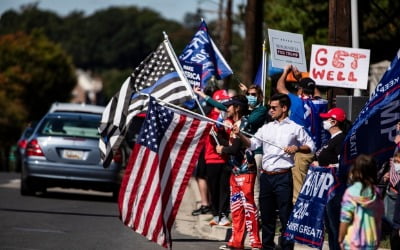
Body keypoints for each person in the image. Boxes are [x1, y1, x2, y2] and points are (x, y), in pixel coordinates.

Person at [233, 93, 315, 250]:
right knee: (267, 215)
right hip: (266, 176)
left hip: (283, 176)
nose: (270, 110)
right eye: (270, 107)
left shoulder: (295, 128)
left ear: (284, 108)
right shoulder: (266, 128)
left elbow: (311, 146)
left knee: (285, 215)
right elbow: (251, 144)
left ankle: (286, 247)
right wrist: (240, 135)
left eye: (274, 108)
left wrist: (296, 148)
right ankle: (267, 246)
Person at [277, 64, 328, 204]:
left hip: (302, 151)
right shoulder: (322, 103)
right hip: (318, 151)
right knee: (313, 188)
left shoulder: (297, 102)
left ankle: (298, 220)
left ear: (300, 90)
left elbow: (280, 87)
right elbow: (316, 93)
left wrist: (285, 71)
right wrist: (303, 78)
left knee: (298, 190)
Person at [216, 95, 262, 250]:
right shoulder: (234, 123)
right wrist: (217, 137)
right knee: (236, 208)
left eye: (229, 106)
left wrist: (222, 149)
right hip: (235, 172)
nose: (226, 109)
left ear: (237, 107)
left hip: (246, 172)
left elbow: (235, 149)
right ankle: (236, 242)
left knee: (249, 208)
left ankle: (255, 242)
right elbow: (231, 145)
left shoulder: (244, 123)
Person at [193, 87, 232, 226]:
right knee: (214, 188)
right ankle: (216, 214)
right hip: (211, 158)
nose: (225, 104)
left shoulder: (230, 117)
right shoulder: (208, 117)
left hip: (226, 158)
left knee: (225, 189)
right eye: (222, 101)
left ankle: (224, 215)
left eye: (226, 101)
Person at [312, 107, 349, 250]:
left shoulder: (340, 139)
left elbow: (343, 164)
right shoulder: (331, 139)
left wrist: (323, 165)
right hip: (326, 189)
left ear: (333, 122)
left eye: (326, 119)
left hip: (335, 189)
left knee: (335, 227)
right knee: (330, 227)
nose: (324, 121)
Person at [338, 154, 384, 250]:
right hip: (371, 242)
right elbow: (379, 219)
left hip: (352, 242)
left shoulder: (351, 192)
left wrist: (340, 238)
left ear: (357, 171)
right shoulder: (376, 192)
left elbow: (345, 219)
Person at [239, 83, 269, 208]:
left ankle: (257, 215)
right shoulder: (250, 109)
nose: (250, 97)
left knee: (256, 186)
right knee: (248, 184)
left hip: (258, 152)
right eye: (249, 95)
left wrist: (246, 115)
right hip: (248, 151)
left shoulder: (261, 109)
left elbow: (251, 121)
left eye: (253, 95)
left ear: (259, 96)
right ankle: (250, 213)